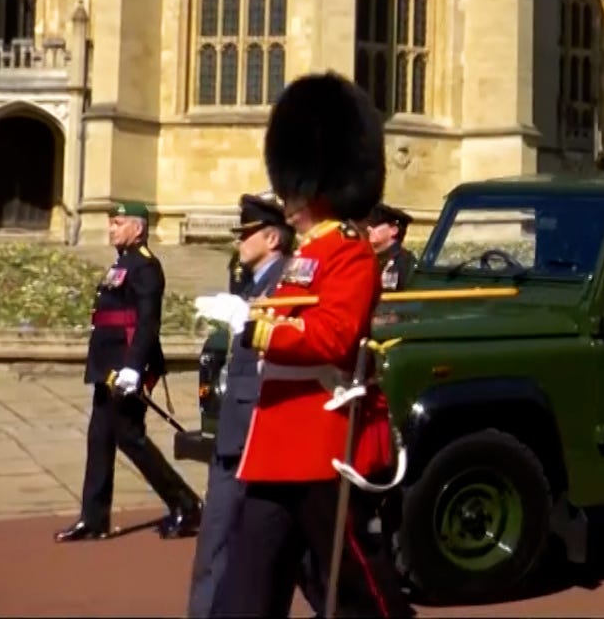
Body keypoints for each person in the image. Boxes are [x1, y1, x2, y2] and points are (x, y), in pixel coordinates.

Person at [196, 73, 411, 618]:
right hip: (276, 441)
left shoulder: (349, 252)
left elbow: (334, 337)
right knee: (247, 587)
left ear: (319, 183)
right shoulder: (302, 257)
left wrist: (255, 328)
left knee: (356, 584)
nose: (285, 199)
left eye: (293, 188)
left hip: (322, 443)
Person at [185, 193, 324, 619]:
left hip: (257, 430)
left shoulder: (287, 279)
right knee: (243, 545)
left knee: (234, 543)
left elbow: (290, 342)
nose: (239, 243)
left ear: (271, 237)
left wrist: (246, 317)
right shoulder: (254, 279)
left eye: (246, 235)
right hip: (237, 425)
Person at [56, 200, 203, 543]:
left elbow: (147, 322)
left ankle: (185, 502)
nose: (111, 228)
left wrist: (134, 368)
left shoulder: (146, 267)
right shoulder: (122, 264)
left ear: (137, 228)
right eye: (111, 222)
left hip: (126, 365)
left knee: (129, 437)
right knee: (100, 438)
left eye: (118, 222)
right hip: (108, 364)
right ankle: (93, 519)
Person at [364, 203, 416, 292]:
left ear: (393, 230)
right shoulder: (360, 255)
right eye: (364, 224)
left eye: (374, 225)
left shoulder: (402, 262)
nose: (367, 229)